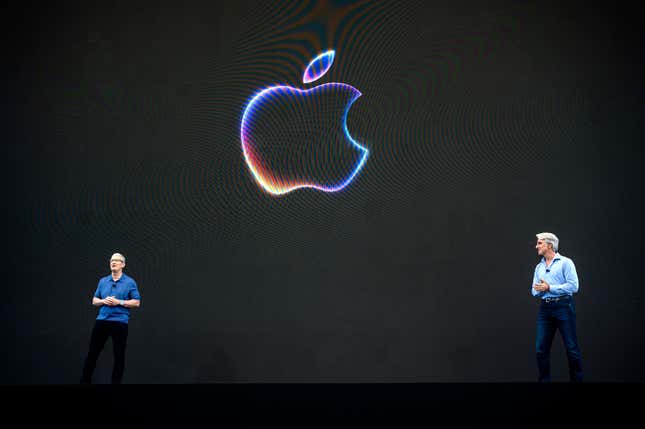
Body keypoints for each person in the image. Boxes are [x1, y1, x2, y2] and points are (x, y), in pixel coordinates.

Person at [80, 253, 141, 384]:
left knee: (119, 356)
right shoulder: (103, 281)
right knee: (92, 353)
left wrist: (119, 302)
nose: (113, 262)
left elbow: (137, 302)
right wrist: (103, 301)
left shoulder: (130, 282)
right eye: (112, 260)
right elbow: (94, 301)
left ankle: (116, 386)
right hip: (102, 321)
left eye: (117, 260)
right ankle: (84, 382)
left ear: (123, 265)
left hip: (120, 322)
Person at [531, 232, 583, 382]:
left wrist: (549, 288)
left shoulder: (566, 263)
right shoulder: (539, 267)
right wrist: (541, 290)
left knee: (571, 348)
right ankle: (544, 384)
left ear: (550, 245)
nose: (536, 246)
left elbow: (574, 286)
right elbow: (534, 290)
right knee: (541, 349)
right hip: (545, 310)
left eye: (539, 243)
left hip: (563, 307)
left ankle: (577, 383)